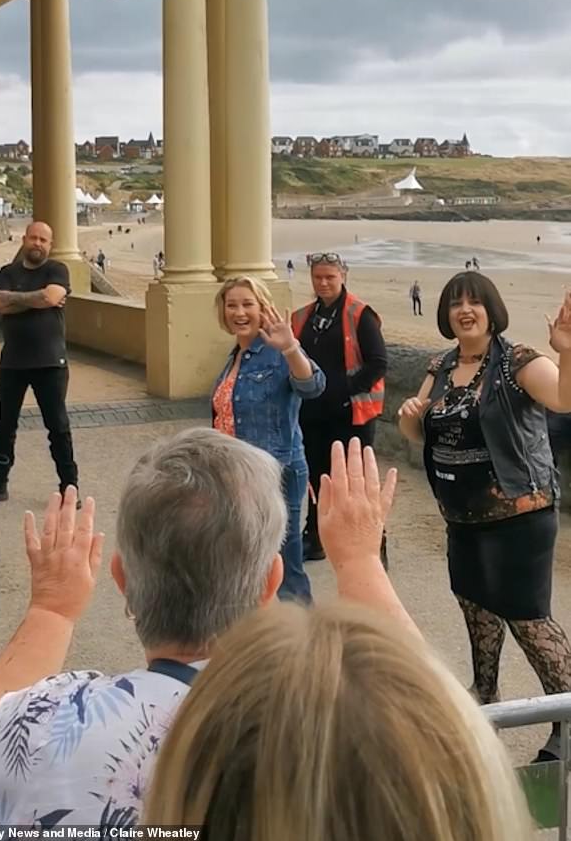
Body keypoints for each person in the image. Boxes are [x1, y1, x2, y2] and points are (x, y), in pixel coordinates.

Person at [146, 441, 532, 841]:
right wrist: (359, 560)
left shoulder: (91, 710)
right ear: (270, 583)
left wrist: (69, 617)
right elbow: (446, 731)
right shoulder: (454, 786)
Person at [0, 428, 288, 826]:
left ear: (121, 579)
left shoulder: (52, 727)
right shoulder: (325, 721)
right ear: (270, 583)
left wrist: (51, 611)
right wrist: (359, 563)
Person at [399, 270, 571, 761]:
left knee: (527, 619)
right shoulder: (440, 365)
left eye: (474, 301)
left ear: (492, 310)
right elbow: (420, 435)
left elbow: (564, 398)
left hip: (520, 515)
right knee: (476, 610)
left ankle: (567, 718)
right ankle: (487, 703)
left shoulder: (517, 362)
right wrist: (410, 417)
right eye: (455, 303)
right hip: (462, 516)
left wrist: (566, 347)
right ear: (446, 314)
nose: (464, 310)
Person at [213, 276, 325, 602]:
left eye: (248, 304)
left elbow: (313, 386)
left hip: (274, 471)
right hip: (236, 476)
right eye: (231, 305)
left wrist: (290, 348)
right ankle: (258, 636)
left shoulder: (276, 353)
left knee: (284, 563)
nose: (239, 312)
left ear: (263, 308)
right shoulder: (236, 355)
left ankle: (302, 639)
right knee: (247, 562)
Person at [292, 252, 387, 561]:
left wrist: (344, 392)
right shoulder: (303, 316)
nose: (323, 283)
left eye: (330, 277)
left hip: (351, 414)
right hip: (311, 412)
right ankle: (316, 535)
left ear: (343, 276)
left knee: (354, 478)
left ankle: (371, 539)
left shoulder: (361, 315)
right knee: (316, 476)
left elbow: (378, 364)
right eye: (318, 277)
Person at [0, 221, 79, 504]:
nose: (38, 243)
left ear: (49, 245)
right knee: (2, 425)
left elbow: (51, 295)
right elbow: (1, 305)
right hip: (13, 362)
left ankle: (69, 486)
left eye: (44, 240)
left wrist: (18, 299)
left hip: (50, 362)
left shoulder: (57, 269)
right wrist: (40, 299)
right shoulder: (7, 272)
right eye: (33, 238)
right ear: (24, 240)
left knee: (58, 427)